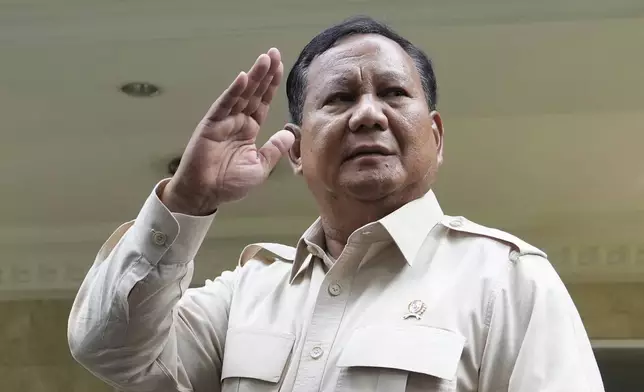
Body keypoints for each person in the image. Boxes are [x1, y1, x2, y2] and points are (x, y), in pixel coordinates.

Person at [68, 16, 604, 392]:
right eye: (340, 98)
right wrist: (188, 200)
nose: (368, 115)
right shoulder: (248, 293)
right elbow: (107, 349)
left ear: (436, 137)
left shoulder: (508, 282)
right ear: (297, 150)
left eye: (394, 94)